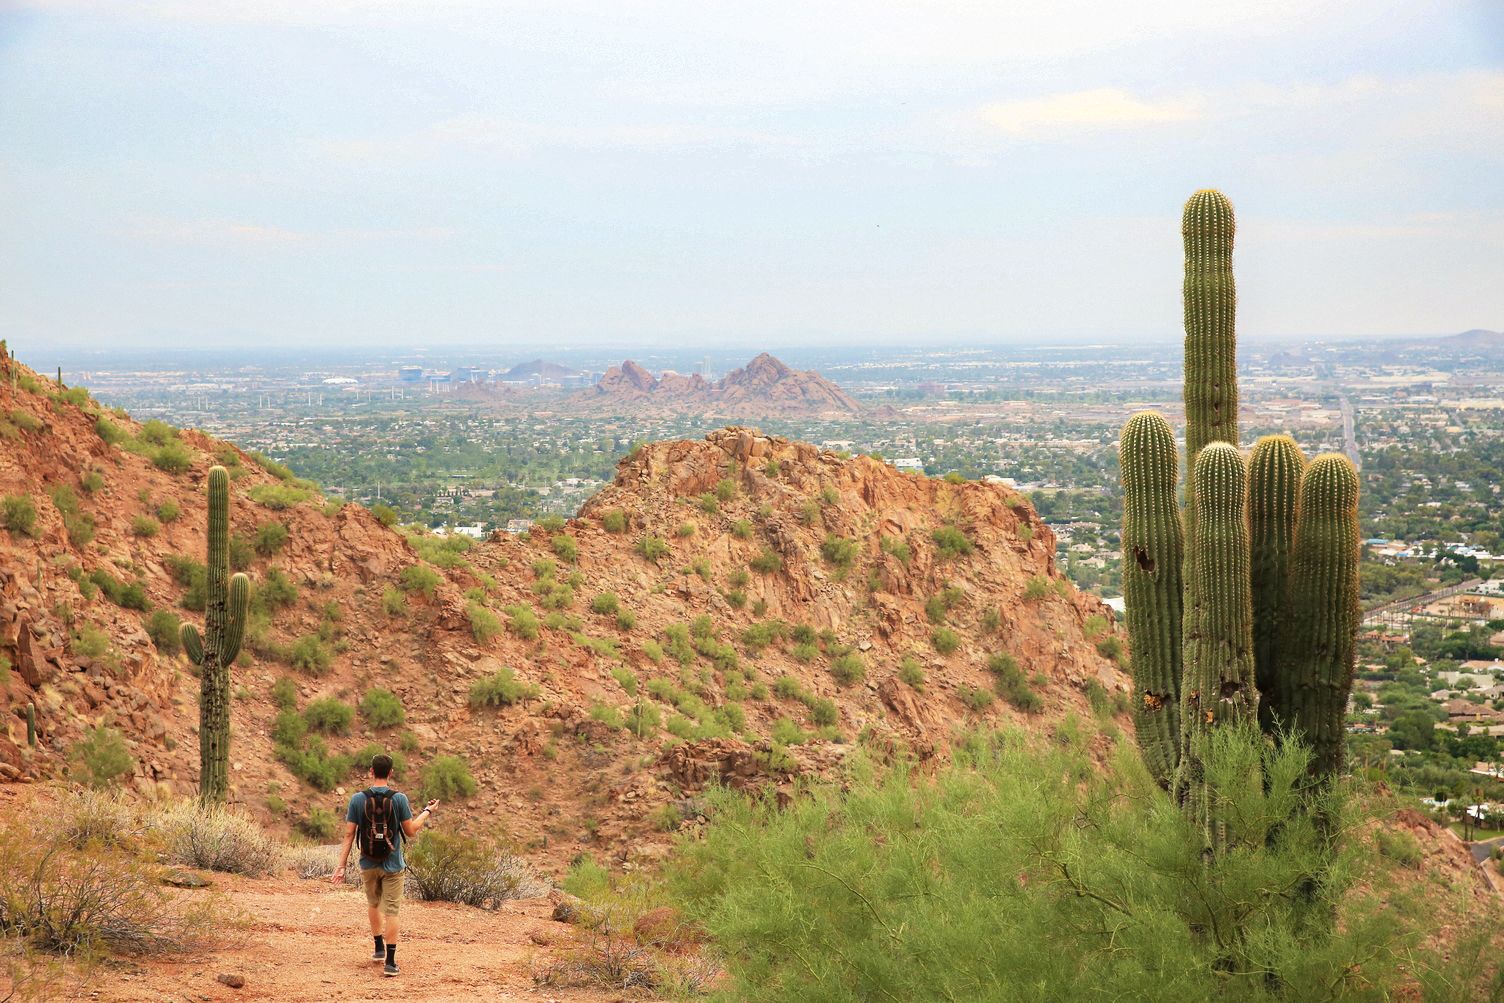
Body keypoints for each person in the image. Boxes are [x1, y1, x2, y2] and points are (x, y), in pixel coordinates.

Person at [331, 754, 438, 977]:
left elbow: (349, 834)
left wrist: (340, 866)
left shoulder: (357, 799)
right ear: (391, 773)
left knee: (373, 904)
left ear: (371, 771)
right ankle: (390, 962)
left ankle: (378, 947)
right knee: (392, 912)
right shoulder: (399, 799)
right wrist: (427, 812)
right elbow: (410, 831)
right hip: (393, 864)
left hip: (368, 862)